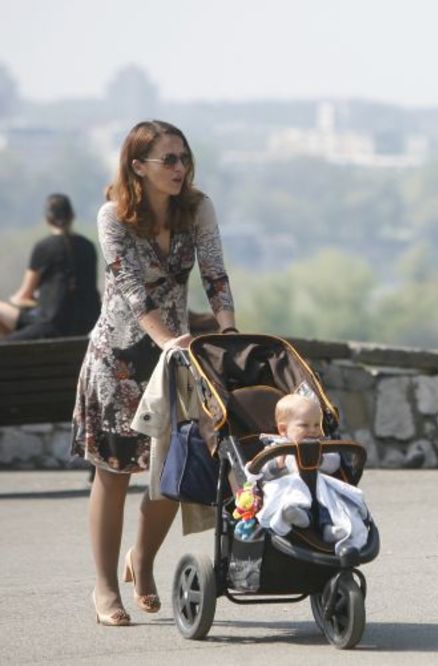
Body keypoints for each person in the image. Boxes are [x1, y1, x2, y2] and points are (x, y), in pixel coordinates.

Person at [72, 120, 237, 627]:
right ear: (137, 167)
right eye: (169, 159)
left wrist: (229, 333)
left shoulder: (198, 208)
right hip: (118, 360)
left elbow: (214, 273)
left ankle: (141, 560)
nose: (180, 167)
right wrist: (166, 337)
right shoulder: (113, 216)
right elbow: (129, 289)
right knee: (114, 473)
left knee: (174, 473)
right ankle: (105, 587)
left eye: (184, 157)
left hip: (177, 360)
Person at [256, 394, 369, 549]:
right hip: (290, 489)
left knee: (329, 498)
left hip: (317, 488)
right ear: (283, 429)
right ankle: (295, 513)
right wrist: (276, 464)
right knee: (284, 492)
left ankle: (329, 528)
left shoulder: (321, 445)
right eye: (304, 425)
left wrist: (321, 460)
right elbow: (260, 472)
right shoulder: (276, 447)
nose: (313, 430)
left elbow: (335, 463)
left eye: (317, 425)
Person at [0, 194, 101, 341]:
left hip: (51, 326)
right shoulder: (88, 246)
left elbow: (23, 296)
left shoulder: (44, 247)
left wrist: (14, 301)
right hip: (88, 324)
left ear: (47, 219)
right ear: (72, 216)